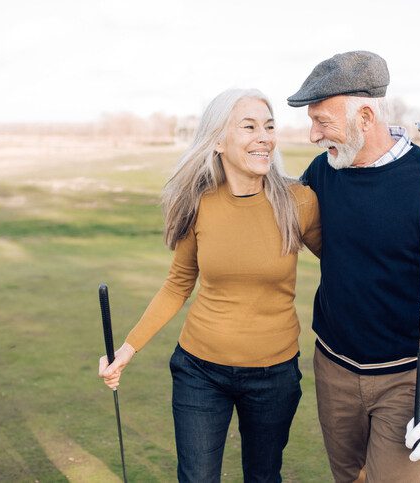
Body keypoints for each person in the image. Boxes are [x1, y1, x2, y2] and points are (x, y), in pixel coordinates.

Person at [98, 88, 321, 482]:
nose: (264, 136)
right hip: (199, 372)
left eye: (269, 126)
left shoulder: (298, 201)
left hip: (274, 376)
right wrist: (127, 348)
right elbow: (177, 284)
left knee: (264, 477)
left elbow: (348, 264)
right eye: (249, 126)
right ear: (218, 140)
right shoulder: (199, 202)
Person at [287, 51, 420, 482]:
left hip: (405, 380)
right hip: (332, 368)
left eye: (322, 121)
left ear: (365, 116)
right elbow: (281, 212)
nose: (313, 135)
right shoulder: (323, 171)